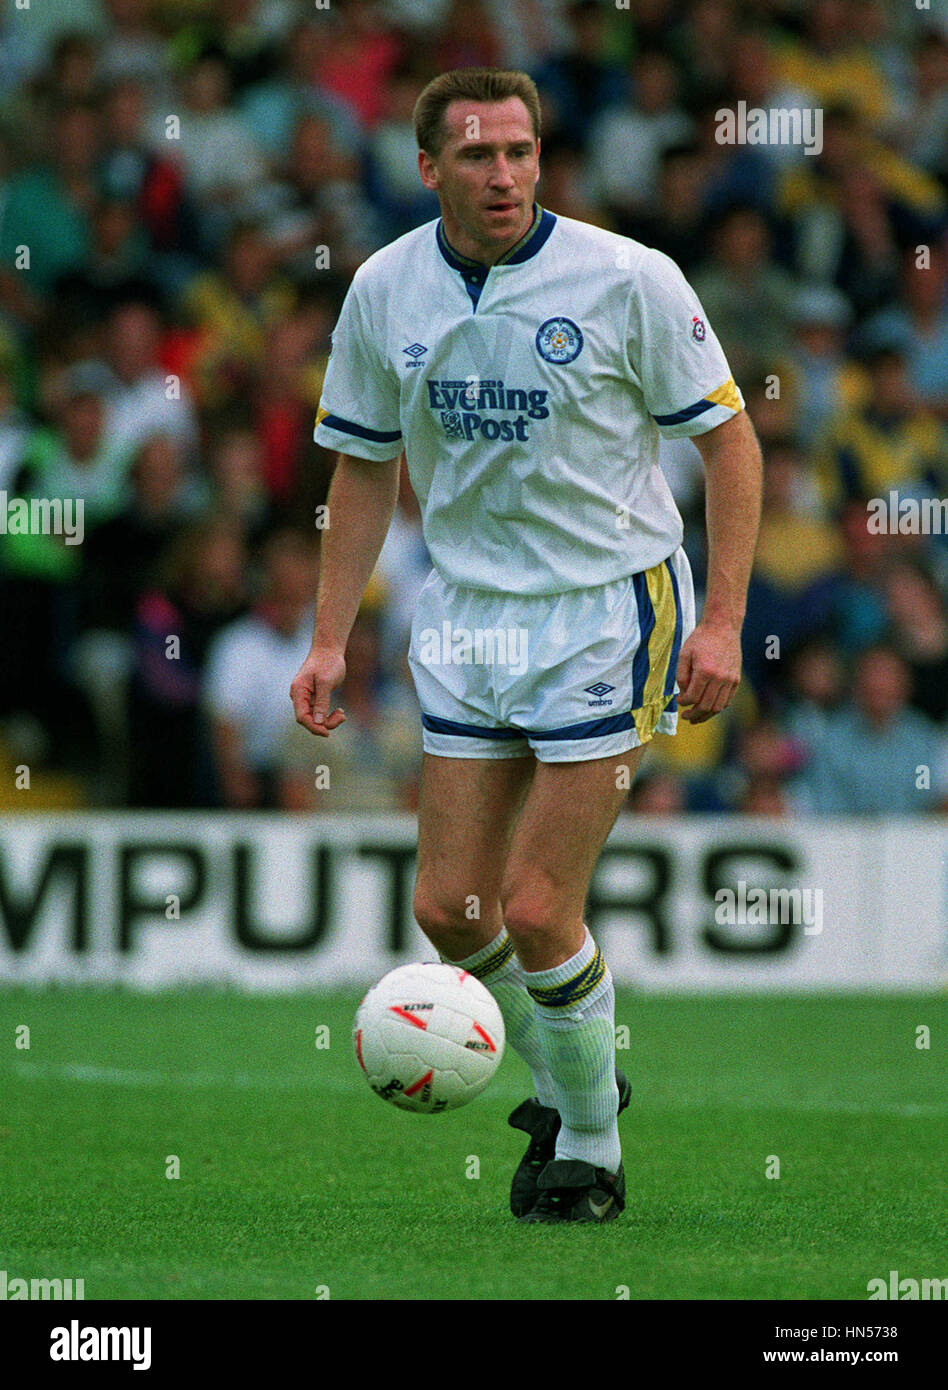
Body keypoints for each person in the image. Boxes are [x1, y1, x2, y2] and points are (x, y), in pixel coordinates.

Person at [291, 67, 762, 1223]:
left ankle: (588, 1150)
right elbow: (362, 465)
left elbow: (732, 442)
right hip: (468, 616)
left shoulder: (626, 277)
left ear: (541, 158)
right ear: (427, 168)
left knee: (542, 904)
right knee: (451, 910)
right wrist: (327, 639)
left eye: (520, 151)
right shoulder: (385, 289)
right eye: (476, 155)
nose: (503, 174)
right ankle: (567, 1072)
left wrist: (724, 620)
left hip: (609, 607)